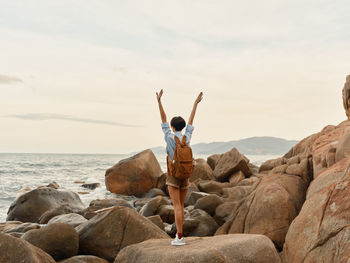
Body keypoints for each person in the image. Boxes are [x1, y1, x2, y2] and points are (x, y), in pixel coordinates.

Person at [156, 89, 203, 246]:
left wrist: (159, 101)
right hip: (185, 175)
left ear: (172, 126)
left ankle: (180, 237)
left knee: (176, 206)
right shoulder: (186, 137)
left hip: (173, 175)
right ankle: (180, 235)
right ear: (182, 126)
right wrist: (195, 103)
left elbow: (163, 119)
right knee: (181, 206)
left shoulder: (169, 136)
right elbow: (191, 121)